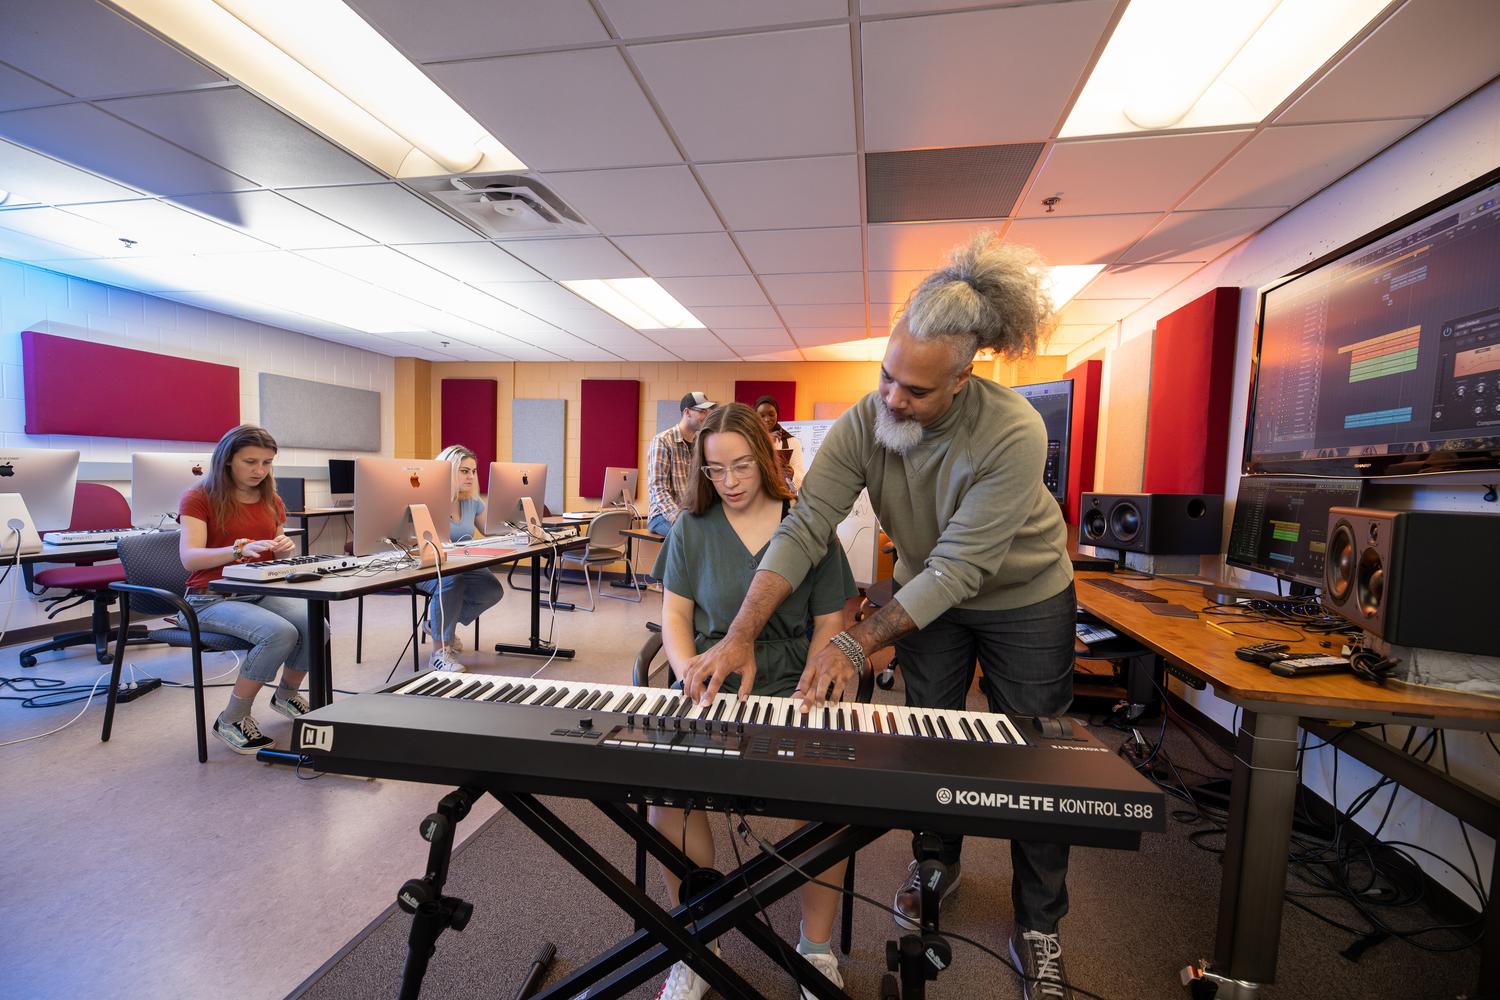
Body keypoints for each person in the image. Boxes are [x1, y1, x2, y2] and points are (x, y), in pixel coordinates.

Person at [684, 236, 1079, 1000]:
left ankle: (1040, 921)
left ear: (965, 379)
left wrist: (853, 643)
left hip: (1023, 596)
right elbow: (804, 528)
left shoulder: (1014, 432)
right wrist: (739, 632)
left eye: (917, 391)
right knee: (929, 735)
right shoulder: (870, 420)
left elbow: (964, 569)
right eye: (887, 376)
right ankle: (935, 865)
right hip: (926, 592)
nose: (894, 399)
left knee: (1034, 754)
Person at [651, 402, 857, 1000]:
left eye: (741, 466)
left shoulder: (806, 523)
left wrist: (810, 687)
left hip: (793, 682)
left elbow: (830, 622)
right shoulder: (693, 528)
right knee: (670, 797)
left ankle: (814, 951)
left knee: (827, 798)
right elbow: (675, 614)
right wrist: (687, 665)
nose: (732, 482)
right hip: (711, 681)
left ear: (764, 458)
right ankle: (699, 939)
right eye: (716, 471)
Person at [178, 424, 312, 755]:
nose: (260, 471)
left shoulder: (271, 499)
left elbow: (276, 550)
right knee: (280, 633)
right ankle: (232, 719)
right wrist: (236, 551)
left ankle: (286, 694)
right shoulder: (199, 498)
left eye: (267, 463)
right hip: (208, 598)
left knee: (315, 625)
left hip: (258, 588)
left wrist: (283, 550)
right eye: (250, 462)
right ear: (227, 461)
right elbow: (189, 559)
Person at [414, 444, 504, 673]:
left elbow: (490, 529)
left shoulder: (471, 502)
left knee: (492, 589)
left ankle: (438, 625)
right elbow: (412, 541)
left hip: (461, 563)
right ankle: (438, 653)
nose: (471, 476)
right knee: (451, 580)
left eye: (473, 471)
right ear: (448, 471)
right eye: (464, 471)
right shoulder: (427, 500)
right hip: (425, 567)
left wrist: (517, 526)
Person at [646, 390, 715, 538]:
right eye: (702, 411)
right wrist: (680, 519)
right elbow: (658, 489)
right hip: (663, 516)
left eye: (707, 412)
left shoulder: (700, 444)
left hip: (690, 515)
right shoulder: (662, 441)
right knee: (693, 537)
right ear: (687, 412)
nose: (706, 416)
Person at [754, 394, 805, 493]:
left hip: (783, 497)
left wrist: (793, 473)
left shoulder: (792, 442)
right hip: (758, 496)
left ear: (777, 414)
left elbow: (801, 477)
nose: (767, 419)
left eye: (771, 414)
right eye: (762, 415)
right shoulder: (749, 440)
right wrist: (767, 441)